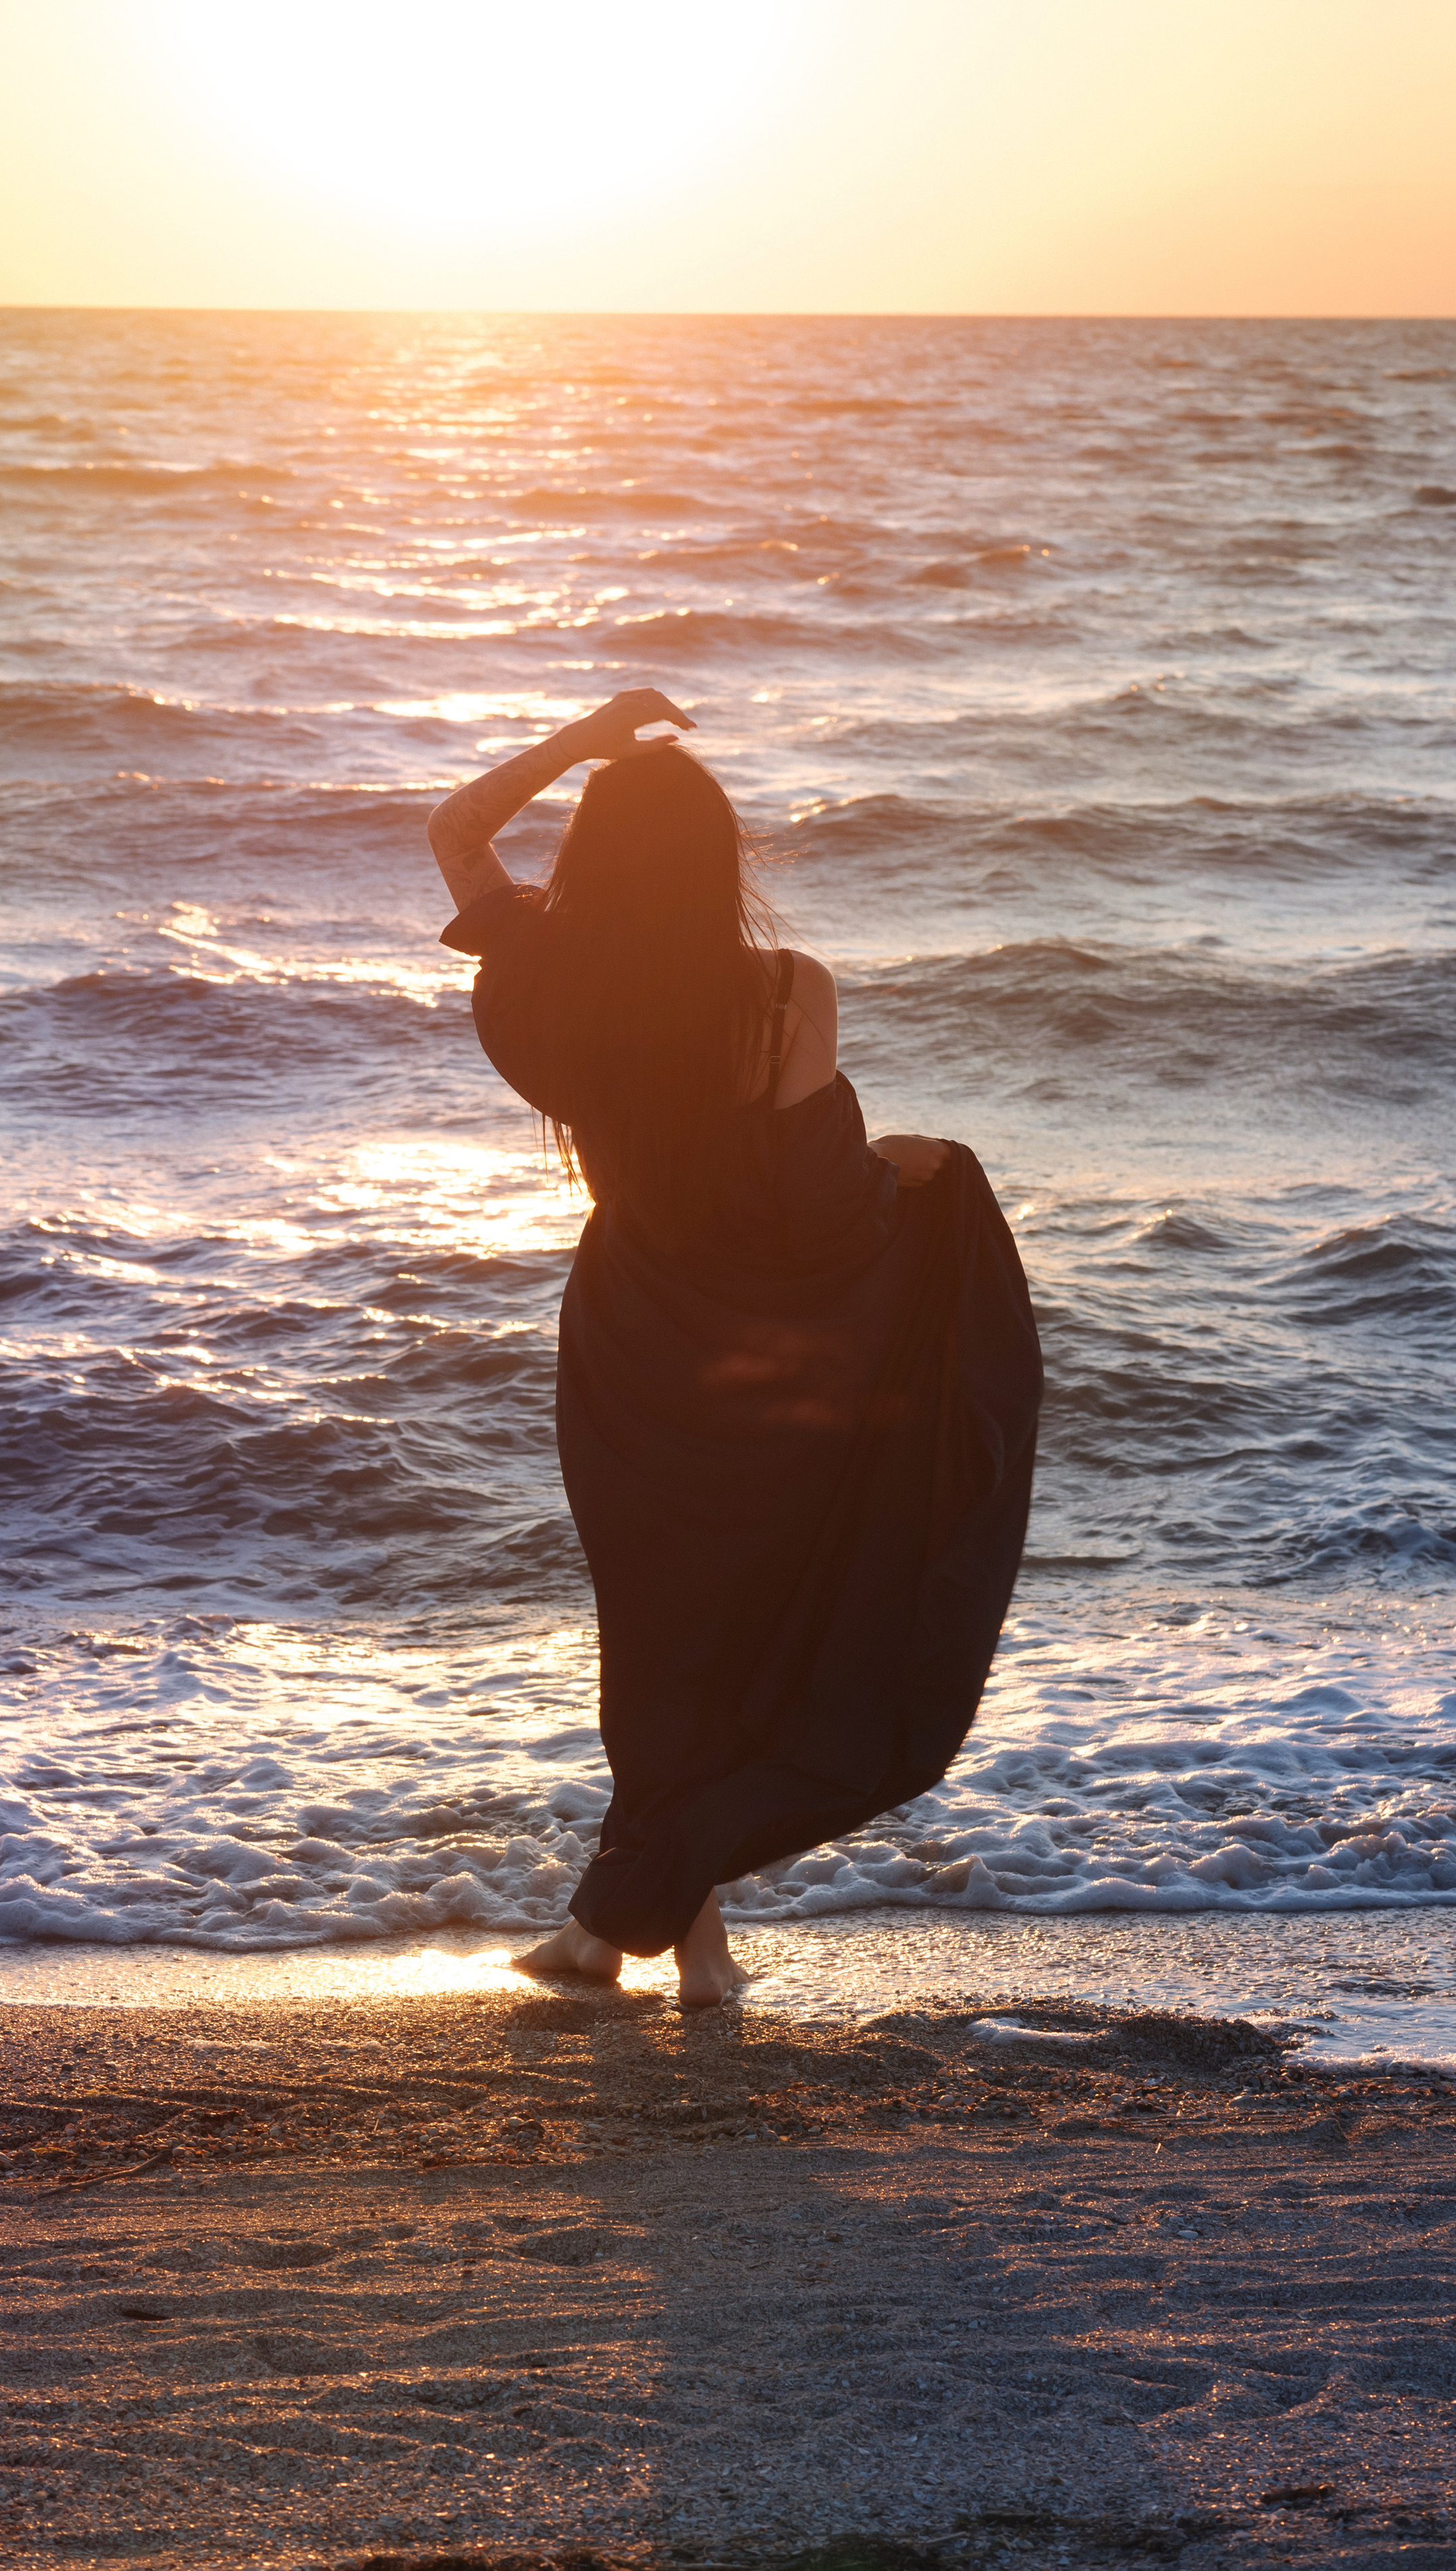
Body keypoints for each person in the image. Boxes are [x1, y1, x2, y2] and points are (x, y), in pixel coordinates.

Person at [428, 689, 1042, 2006]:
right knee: (728, 1636)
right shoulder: (779, 994)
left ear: (593, 857)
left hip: (629, 1342)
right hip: (761, 1350)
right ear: (720, 866)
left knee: (657, 1639)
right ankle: (673, 1945)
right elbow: (821, 1204)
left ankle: (639, 1939)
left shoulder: (551, 967)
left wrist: (583, 742)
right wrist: (915, 1168)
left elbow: (456, 824)